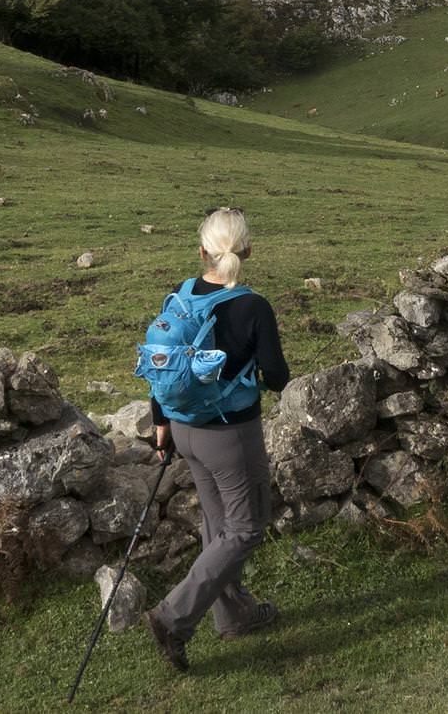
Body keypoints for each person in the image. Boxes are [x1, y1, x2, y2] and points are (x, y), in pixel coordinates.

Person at [144, 207, 290, 672]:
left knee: (217, 523)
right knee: (245, 527)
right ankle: (173, 616)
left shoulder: (180, 297)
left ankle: (233, 615)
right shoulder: (254, 306)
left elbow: (161, 364)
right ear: (247, 250)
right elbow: (278, 378)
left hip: (184, 430)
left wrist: (161, 425)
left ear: (202, 250)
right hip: (230, 435)